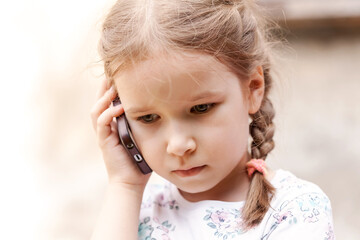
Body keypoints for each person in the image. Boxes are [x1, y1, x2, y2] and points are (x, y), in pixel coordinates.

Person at [90, 0, 335, 239]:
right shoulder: (132, 207)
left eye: (201, 108)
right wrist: (124, 185)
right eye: (148, 117)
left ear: (252, 88)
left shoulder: (294, 210)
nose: (178, 145)